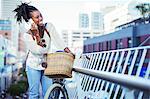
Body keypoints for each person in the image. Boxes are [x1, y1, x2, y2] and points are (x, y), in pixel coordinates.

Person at [13, 2, 72, 99]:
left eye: (40, 15)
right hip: (33, 66)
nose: (40, 18)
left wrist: (68, 51)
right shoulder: (27, 35)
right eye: (37, 17)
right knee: (34, 94)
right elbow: (39, 51)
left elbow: (59, 41)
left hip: (47, 65)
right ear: (30, 20)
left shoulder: (49, 27)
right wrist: (36, 35)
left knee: (48, 94)